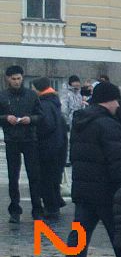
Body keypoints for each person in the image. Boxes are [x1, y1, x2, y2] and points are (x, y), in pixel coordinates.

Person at [61, 81, 121, 257]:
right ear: (108, 101)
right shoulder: (108, 124)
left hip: (83, 190)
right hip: (106, 191)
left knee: (78, 240)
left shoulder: (81, 120)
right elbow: (117, 161)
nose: (118, 105)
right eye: (116, 100)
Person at [1, 64, 43, 222]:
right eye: (13, 79)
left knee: (34, 176)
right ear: (8, 79)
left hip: (29, 139)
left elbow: (40, 115)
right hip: (11, 140)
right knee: (13, 177)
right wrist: (6, 118)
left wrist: (30, 119)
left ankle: (37, 209)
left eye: (19, 78)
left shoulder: (31, 95)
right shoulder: (2, 96)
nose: (17, 81)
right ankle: (14, 210)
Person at [33, 77, 68, 219]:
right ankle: (55, 203)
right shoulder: (54, 101)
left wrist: (34, 131)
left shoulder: (44, 104)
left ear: (38, 89)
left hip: (48, 147)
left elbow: (46, 125)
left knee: (47, 178)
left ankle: (52, 207)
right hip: (58, 145)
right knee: (54, 177)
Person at [60, 75, 85, 142]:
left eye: (78, 82)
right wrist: (67, 121)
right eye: (75, 82)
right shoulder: (66, 93)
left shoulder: (79, 94)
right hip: (70, 121)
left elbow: (80, 107)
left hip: (78, 120)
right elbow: (63, 109)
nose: (77, 84)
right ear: (71, 83)